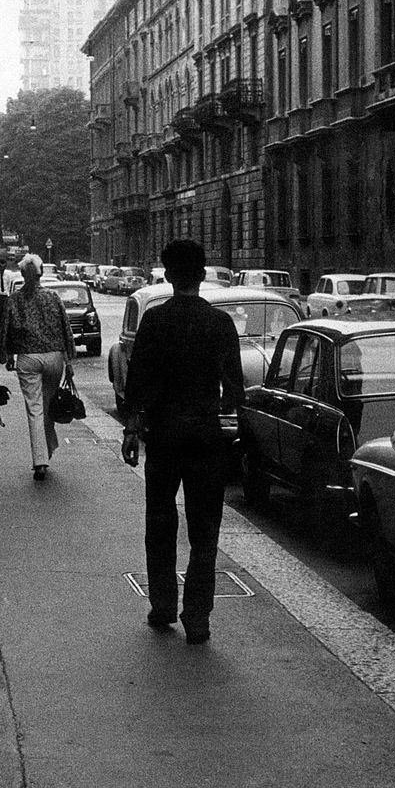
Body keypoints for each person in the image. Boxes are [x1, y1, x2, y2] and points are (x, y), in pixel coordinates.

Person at [121, 239, 245, 645]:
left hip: (165, 434)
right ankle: (198, 617)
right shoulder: (221, 324)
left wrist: (132, 430)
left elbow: (137, 381)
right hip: (206, 436)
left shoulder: (154, 322)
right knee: (204, 529)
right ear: (203, 274)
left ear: (168, 274)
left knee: (159, 521)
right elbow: (234, 392)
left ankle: (162, 606)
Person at [2, 253, 75, 481]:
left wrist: (9, 355)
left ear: (23, 274)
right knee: (49, 403)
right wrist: (69, 360)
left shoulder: (15, 299)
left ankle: (40, 460)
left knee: (35, 409)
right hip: (54, 357)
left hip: (28, 358)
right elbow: (66, 329)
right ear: (41, 272)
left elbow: (8, 329)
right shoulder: (53, 297)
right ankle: (48, 446)